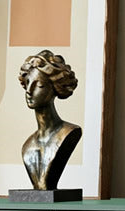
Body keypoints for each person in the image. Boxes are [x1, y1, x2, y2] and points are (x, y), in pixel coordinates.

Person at [18, 50, 82, 191]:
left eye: (39, 85)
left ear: (55, 88)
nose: (29, 90)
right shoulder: (27, 146)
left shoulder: (69, 133)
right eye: (27, 83)